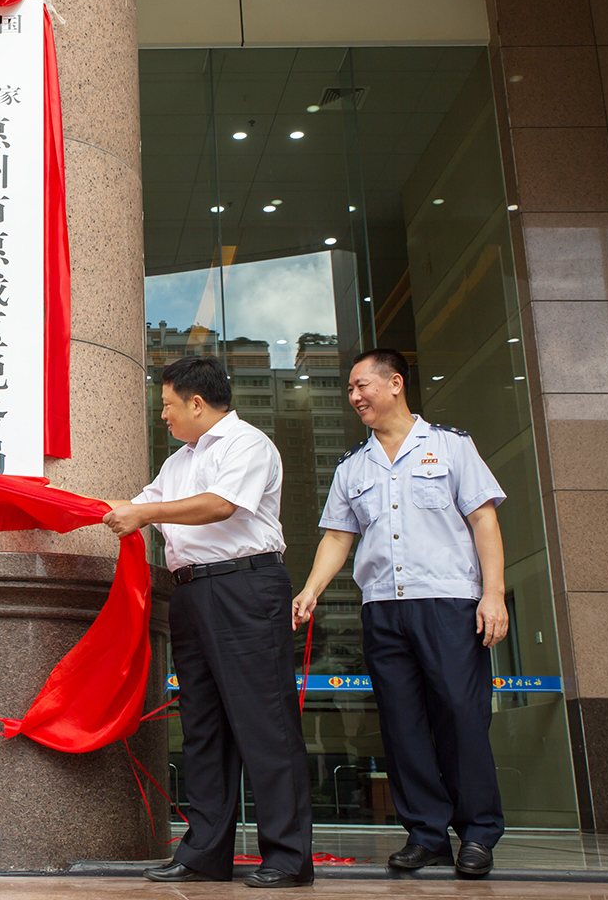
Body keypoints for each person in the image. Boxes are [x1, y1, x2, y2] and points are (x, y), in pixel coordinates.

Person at [292, 348, 507, 878]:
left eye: (362, 385)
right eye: (349, 390)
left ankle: (477, 834)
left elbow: (483, 522)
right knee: (402, 723)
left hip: (450, 602)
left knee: (461, 714)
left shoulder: (451, 448)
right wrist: (312, 588)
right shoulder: (352, 466)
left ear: (395, 384)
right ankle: (426, 834)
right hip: (383, 608)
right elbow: (338, 537)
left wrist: (494, 594)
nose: (355, 397)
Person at [103, 355, 313, 889]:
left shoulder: (248, 445)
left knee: (265, 724)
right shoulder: (179, 462)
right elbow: (134, 505)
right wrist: (62, 506)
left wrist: (144, 514)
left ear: (197, 402)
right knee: (203, 731)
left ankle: (288, 856)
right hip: (192, 594)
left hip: (246, 588)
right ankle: (205, 853)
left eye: (169, 406)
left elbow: (220, 506)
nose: (165, 417)